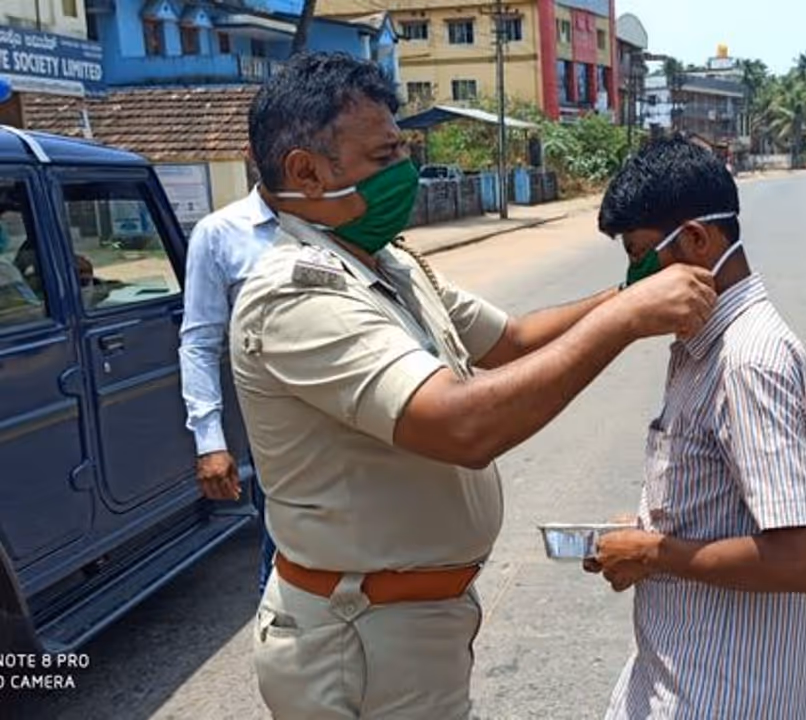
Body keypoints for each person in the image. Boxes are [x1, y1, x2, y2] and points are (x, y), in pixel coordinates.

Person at [230, 53, 716, 719]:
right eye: (383, 155)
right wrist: (629, 319)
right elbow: (463, 426)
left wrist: (633, 290)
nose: (404, 170)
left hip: (409, 625)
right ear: (307, 173)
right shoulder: (297, 296)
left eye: (402, 147)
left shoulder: (388, 266)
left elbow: (512, 339)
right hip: (358, 636)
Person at [585, 135, 806, 720]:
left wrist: (653, 551)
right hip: (684, 674)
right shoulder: (702, 346)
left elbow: (800, 559)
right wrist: (644, 533)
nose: (633, 280)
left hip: (724, 695)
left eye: (641, 254)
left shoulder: (747, 358)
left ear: (698, 241)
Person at [178, 178, 279, 595]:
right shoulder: (221, 233)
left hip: (357, 430)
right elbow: (200, 343)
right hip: (280, 440)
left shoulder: (341, 221)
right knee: (285, 569)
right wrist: (211, 442)